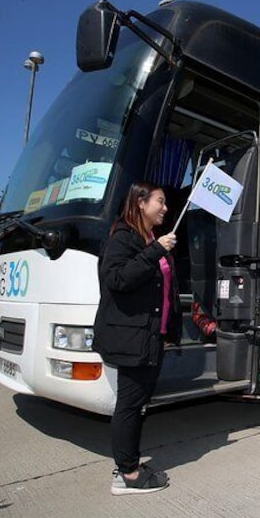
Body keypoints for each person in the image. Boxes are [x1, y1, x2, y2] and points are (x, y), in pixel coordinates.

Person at [93, 181, 181, 495]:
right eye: (161, 201)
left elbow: (163, 292)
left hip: (149, 337)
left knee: (136, 404)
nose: (166, 208)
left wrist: (169, 331)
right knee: (130, 405)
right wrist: (156, 251)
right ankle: (127, 474)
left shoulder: (150, 238)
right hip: (130, 338)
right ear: (141, 202)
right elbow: (117, 279)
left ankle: (129, 465)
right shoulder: (123, 236)